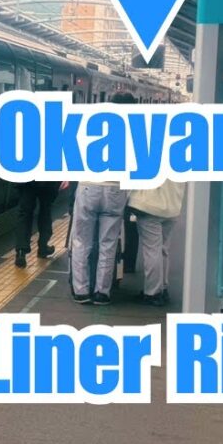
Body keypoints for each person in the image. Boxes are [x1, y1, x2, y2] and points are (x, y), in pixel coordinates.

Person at [69, 91, 137, 305]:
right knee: (108, 244)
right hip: (115, 190)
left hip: (89, 187)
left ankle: (81, 290)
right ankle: (102, 292)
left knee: (81, 241)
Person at [128, 179, 186, 306]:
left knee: (152, 250)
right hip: (173, 208)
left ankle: (152, 293)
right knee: (163, 250)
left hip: (150, 207)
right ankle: (163, 288)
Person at [13, 180, 68, 268]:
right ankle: (43, 247)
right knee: (45, 210)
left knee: (24, 213)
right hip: (48, 179)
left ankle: (21, 252)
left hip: (27, 179)